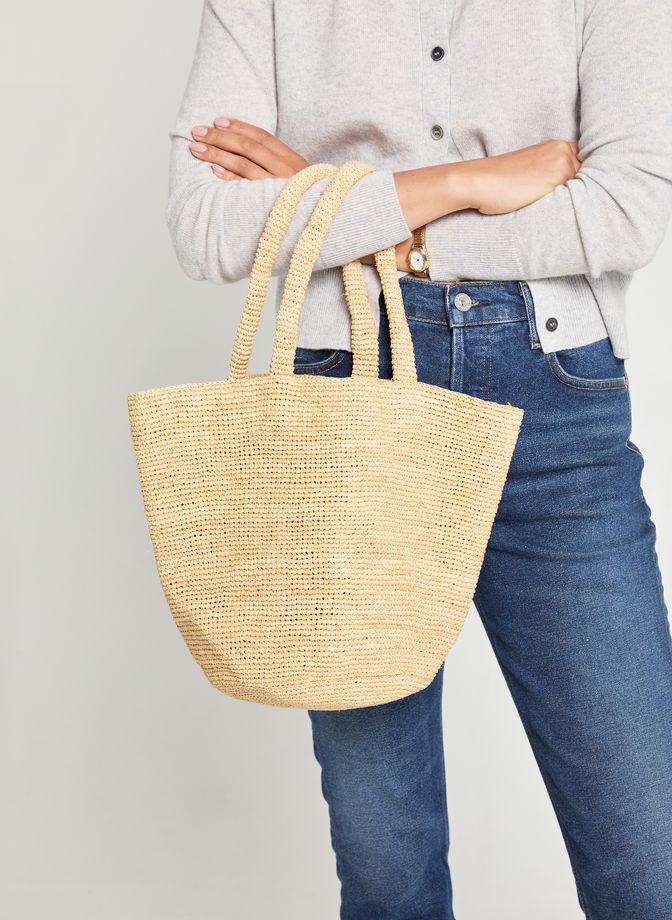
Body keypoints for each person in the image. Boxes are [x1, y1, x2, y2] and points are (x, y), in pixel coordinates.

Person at [165, 2, 672, 917]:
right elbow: (208, 225)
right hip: (341, 411)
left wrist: (362, 217)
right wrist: (476, 179)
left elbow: (631, 207)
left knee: (651, 855)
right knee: (386, 866)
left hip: (557, 411)